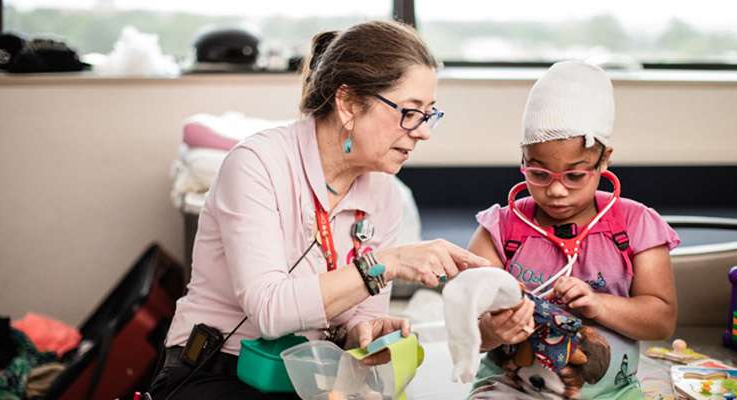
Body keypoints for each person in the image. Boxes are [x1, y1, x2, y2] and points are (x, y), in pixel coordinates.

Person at [148, 20, 490, 400]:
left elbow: (359, 318)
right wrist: (388, 263)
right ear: (348, 104)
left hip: (309, 377)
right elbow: (269, 311)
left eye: (428, 114)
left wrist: (366, 334)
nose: (423, 131)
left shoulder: (385, 193)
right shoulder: (256, 165)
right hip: (216, 370)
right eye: (409, 112)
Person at [466, 61, 680, 399]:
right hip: (509, 390)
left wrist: (598, 305)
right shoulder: (499, 230)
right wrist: (494, 330)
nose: (556, 191)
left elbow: (661, 321)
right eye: (538, 174)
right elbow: (468, 329)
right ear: (523, 159)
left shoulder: (636, 225)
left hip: (612, 395)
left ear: (603, 160)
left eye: (575, 175)